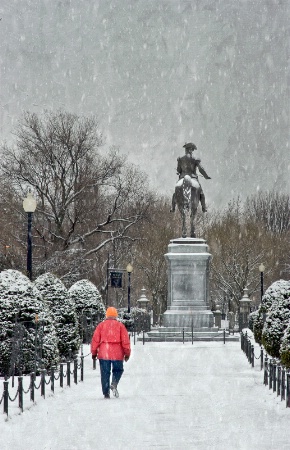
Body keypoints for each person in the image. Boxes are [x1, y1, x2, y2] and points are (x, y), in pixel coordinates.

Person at [91, 307, 131, 399]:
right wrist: (127, 353)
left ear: (107, 315)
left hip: (104, 352)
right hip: (117, 352)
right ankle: (114, 383)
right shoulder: (120, 326)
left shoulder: (101, 325)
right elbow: (125, 341)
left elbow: (95, 340)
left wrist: (93, 352)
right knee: (118, 370)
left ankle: (106, 392)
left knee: (105, 373)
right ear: (116, 315)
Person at [171, 142, 211, 212]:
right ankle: (204, 208)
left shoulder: (180, 159)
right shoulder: (195, 159)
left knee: (175, 192)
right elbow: (201, 169)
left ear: (186, 150)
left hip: (182, 177)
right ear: (191, 150)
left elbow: (179, 170)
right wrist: (206, 176)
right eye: (192, 150)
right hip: (193, 178)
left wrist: (179, 171)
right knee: (201, 193)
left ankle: (173, 207)